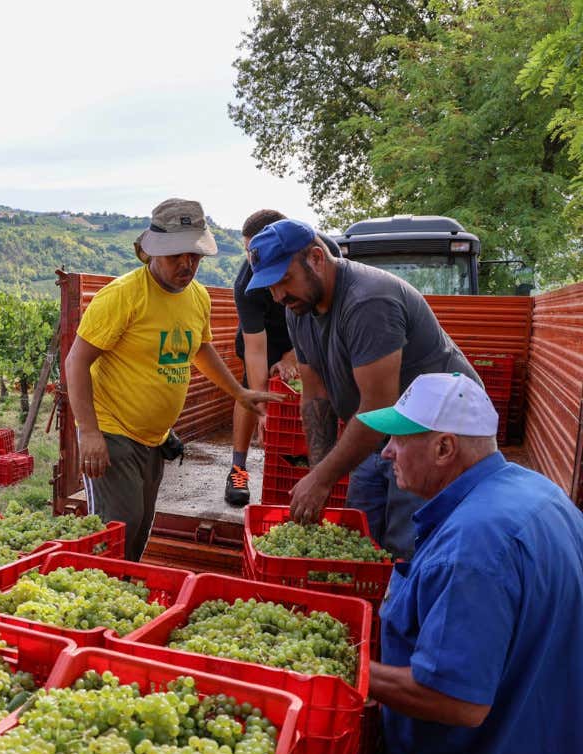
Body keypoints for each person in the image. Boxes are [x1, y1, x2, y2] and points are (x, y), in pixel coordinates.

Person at [356, 373, 583, 754]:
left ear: (444, 448)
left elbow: (457, 699)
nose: (387, 452)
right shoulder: (538, 492)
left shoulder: (473, 546)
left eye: (400, 439)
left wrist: (349, 671)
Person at [245, 219, 479, 559]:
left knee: (410, 549)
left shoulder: (368, 301)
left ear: (316, 258)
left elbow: (378, 407)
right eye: (270, 288)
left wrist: (323, 480)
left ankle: (404, 608)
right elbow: (315, 396)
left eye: (284, 280)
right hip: (382, 434)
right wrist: (318, 473)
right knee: (360, 537)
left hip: (435, 434)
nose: (279, 296)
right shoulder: (299, 309)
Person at [65, 197, 277, 561]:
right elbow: (76, 362)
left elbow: (200, 349)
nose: (186, 264)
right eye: (176, 254)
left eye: (193, 255)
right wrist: (90, 432)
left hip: (154, 439)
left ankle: (125, 596)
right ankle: (98, 603)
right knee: (116, 532)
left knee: (142, 525)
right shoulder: (121, 296)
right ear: (152, 253)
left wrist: (239, 392)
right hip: (113, 432)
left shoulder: (197, 297)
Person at [226, 210, 343, 506]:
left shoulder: (323, 251)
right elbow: (255, 348)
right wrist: (262, 408)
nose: (254, 259)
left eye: (260, 249)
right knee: (249, 392)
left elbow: (325, 316)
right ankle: (238, 469)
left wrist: (293, 356)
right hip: (264, 337)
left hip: (304, 329)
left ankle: (313, 460)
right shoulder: (246, 285)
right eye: (248, 251)